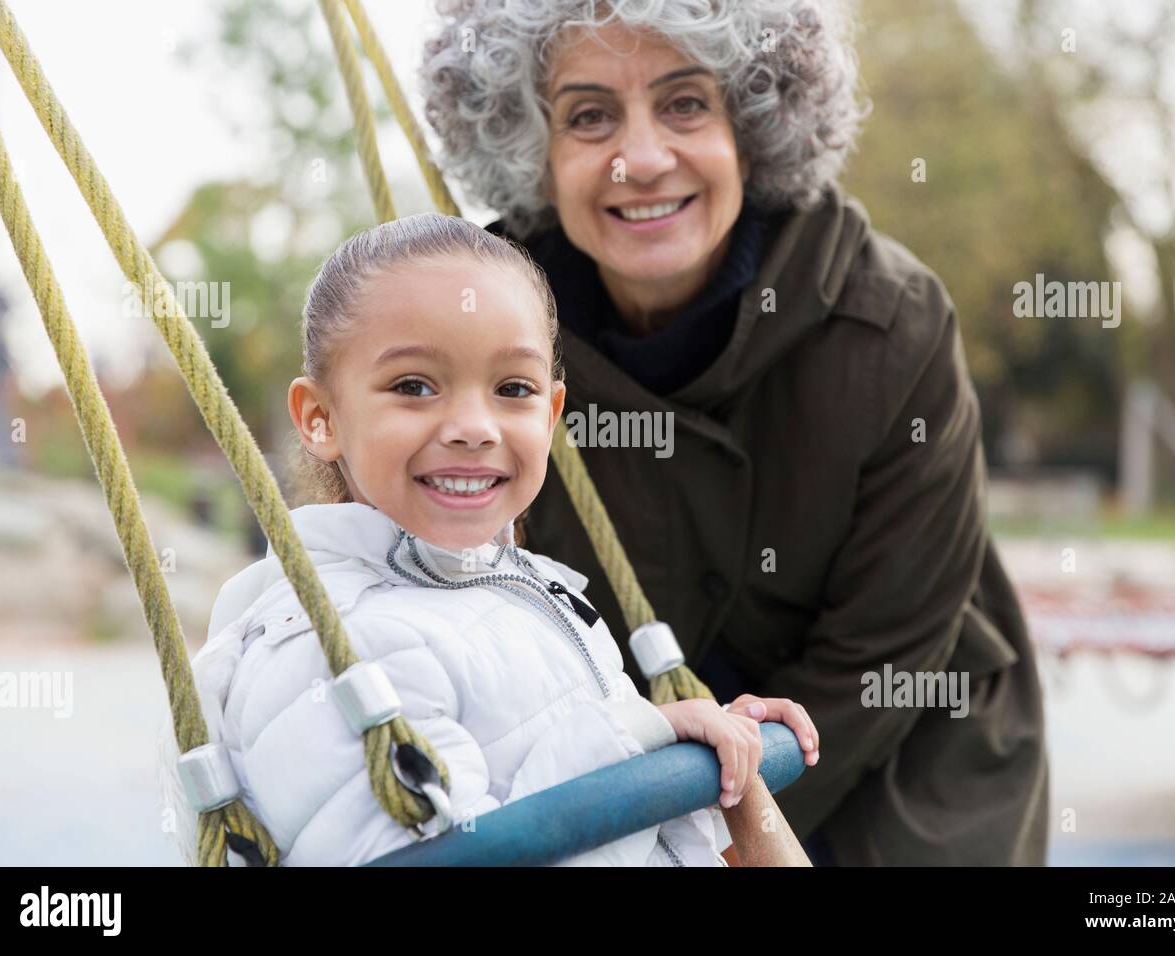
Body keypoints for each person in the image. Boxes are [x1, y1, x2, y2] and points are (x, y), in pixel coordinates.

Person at [420, 0, 1050, 864]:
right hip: (620, 782)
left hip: (892, 768)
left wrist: (710, 832)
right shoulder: (488, 332)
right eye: (590, 115)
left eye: (685, 104)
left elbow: (887, 648)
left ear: (755, 124)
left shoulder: (891, 324)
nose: (641, 160)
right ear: (533, 147)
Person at [157, 213, 820, 866]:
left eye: (513, 388)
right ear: (320, 418)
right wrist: (645, 735)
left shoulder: (528, 588)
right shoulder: (328, 654)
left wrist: (706, 753)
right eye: (414, 386)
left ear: (552, 413)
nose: (474, 426)